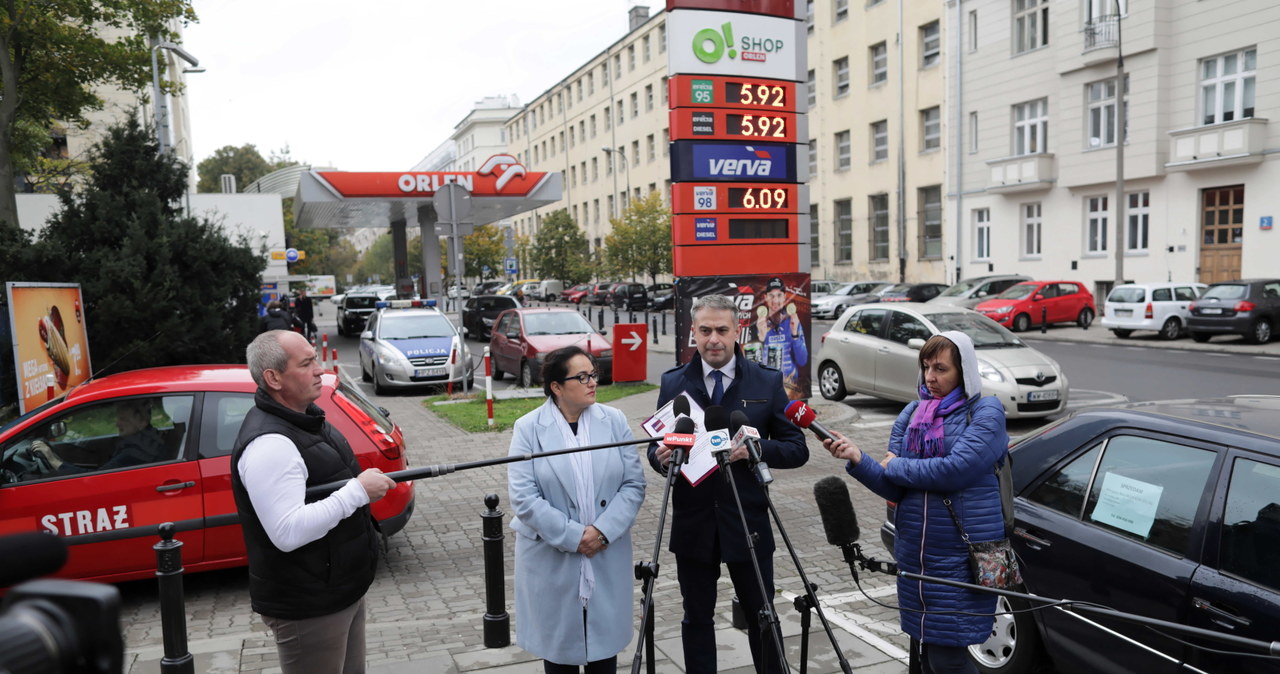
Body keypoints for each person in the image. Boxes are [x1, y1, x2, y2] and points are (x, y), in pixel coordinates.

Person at [821, 332, 1008, 674]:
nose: (930, 378)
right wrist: (860, 458)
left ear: (964, 371)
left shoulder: (985, 412)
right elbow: (896, 489)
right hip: (917, 560)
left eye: (941, 368)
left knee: (947, 659)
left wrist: (898, 465)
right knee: (925, 658)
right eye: (925, 367)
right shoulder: (912, 415)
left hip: (961, 561)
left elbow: (954, 471)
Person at [647, 294, 808, 674]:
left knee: (763, 616)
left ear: (738, 331)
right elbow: (658, 453)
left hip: (747, 523)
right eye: (705, 330)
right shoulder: (674, 383)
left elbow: (796, 449)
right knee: (696, 618)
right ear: (694, 333)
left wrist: (754, 449)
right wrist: (660, 458)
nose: (714, 339)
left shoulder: (766, 382)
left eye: (722, 330)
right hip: (694, 523)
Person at [230, 330, 396, 674]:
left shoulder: (306, 418)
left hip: (338, 591)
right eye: (307, 363)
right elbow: (287, 531)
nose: (320, 370)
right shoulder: (270, 444)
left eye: (315, 360)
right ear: (273, 378)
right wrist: (357, 493)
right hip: (309, 606)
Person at [507, 346, 646, 673]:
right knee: (559, 657)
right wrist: (574, 536)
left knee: (603, 656)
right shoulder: (528, 428)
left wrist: (602, 532)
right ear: (556, 387)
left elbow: (634, 484)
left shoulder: (614, 421)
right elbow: (524, 497)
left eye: (593, 374)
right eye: (581, 377)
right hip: (552, 560)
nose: (592, 382)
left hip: (604, 554)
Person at [32, 398, 169, 475]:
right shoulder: (146, 437)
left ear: (141, 422)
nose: (117, 422)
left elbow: (94, 478)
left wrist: (54, 461)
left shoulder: (134, 452)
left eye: (124, 419)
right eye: (118, 418)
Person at [752, 277, 807, 397]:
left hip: (790, 385)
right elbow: (752, 365)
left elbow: (803, 361)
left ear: (784, 297)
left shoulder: (792, 321)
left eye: (779, 295)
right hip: (766, 383)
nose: (775, 300)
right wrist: (761, 338)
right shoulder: (758, 324)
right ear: (765, 297)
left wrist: (794, 333)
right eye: (771, 296)